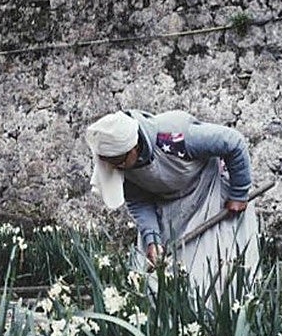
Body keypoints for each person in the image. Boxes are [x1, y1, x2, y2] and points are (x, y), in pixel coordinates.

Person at [85, 110, 259, 297]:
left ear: (133, 147)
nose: (115, 168)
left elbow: (234, 142)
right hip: (171, 207)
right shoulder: (119, 161)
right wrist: (152, 239)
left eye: (118, 162)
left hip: (209, 193)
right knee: (156, 278)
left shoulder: (174, 138)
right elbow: (138, 201)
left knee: (211, 275)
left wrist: (239, 194)